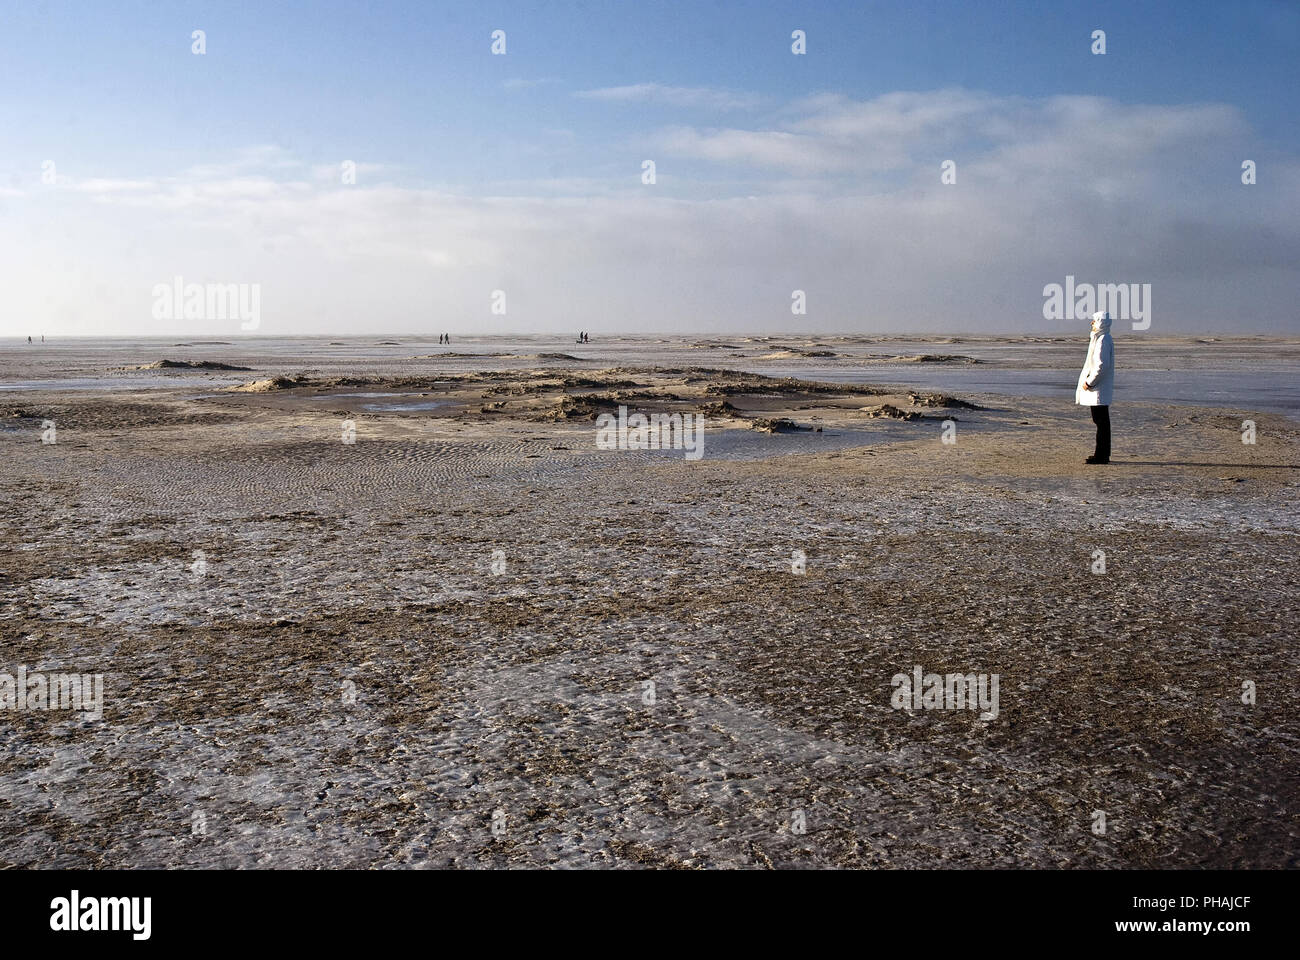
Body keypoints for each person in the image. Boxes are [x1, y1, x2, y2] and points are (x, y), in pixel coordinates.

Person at [1075, 311, 1114, 464]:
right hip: (1098, 388)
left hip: (1098, 388)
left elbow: (1101, 365)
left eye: (1094, 320)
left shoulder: (1103, 340)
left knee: (1101, 421)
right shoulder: (1101, 338)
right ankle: (1101, 454)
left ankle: (1102, 455)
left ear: (1100, 322)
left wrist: (1090, 382)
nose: (1091, 323)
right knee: (1100, 421)